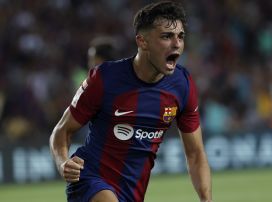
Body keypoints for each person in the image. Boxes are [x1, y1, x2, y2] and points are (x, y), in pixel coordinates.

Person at [49, 1, 212, 202]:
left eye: (180, 36)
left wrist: (206, 199)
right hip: (90, 180)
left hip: (132, 191)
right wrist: (63, 163)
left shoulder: (182, 85)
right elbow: (61, 131)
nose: (176, 44)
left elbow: (195, 153)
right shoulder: (104, 78)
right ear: (142, 41)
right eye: (166, 36)